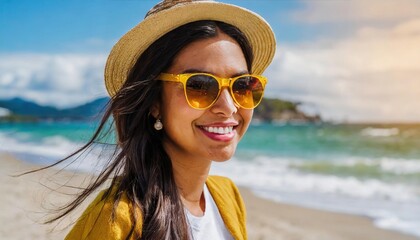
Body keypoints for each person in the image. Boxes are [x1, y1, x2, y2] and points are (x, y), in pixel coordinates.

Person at [61, 0, 276, 239]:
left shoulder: (227, 196)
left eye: (243, 85)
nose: (228, 107)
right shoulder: (118, 221)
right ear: (154, 102)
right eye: (199, 85)